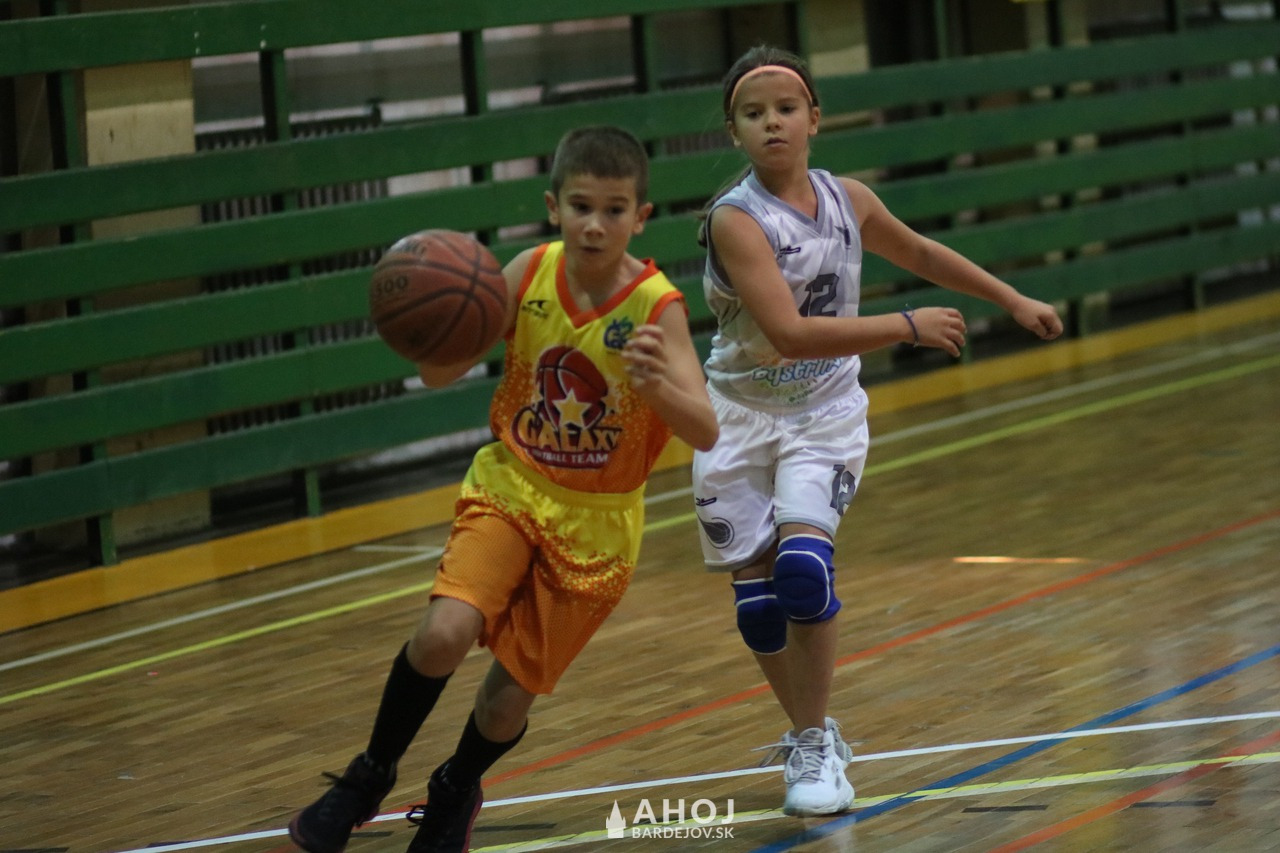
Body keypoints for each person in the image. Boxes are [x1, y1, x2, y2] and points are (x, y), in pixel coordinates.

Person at [289, 125, 718, 853]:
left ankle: (456, 785)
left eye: (614, 210)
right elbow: (438, 374)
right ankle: (367, 777)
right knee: (444, 633)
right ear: (553, 206)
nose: (595, 224)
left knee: (504, 701)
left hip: (598, 524)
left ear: (641, 217)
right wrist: (435, 327)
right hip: (512, 486)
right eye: (580, 206)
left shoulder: (656, 306)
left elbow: (705, 430)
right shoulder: (527, 272)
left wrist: (659, 388)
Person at [691, 45, 1063, 817]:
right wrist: (904, 325)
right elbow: (789, 334)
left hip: (822, 415)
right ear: (733, 132)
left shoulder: (848, 199)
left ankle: (812, 745)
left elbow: (920, 251)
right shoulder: (735, 219)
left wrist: (1011, 298)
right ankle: (813, 729)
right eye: (753, 114)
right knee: (759, 606)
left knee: (803, 573)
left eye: (785, 109)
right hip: (738, 419)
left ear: (815, 118)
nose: (771, 124)